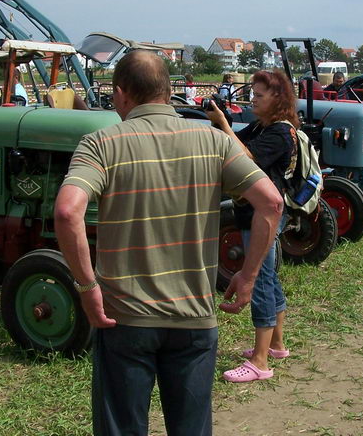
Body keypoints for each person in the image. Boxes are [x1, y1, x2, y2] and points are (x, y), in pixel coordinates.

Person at [54, 50, 282, 436]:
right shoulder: (214, 141)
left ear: (122, 93)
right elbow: (272, 202)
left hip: (124, 317)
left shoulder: (101, 144)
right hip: (195, 317)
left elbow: (66, 212)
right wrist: (247, 276)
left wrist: (87, 286)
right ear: (165, 89)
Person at [205, 69, 297, 383]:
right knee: (270, 279)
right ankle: (276, 346)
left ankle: (259, 362)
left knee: (259, 281)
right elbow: (231, 141)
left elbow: (244, 156)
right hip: (256, 212)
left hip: (262, 215)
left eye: (259, 95)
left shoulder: (280, 133)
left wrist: (224, 125)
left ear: (278, 98)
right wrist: (219, 122)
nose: (253, 100)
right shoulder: (262, 125)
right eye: (253, 94)